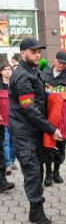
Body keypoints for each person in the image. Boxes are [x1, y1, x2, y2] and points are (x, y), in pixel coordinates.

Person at [8, 37, 63, 224]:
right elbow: (29, 109)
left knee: (37, 170)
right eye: (33, 51)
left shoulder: (33, 72)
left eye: (39, 51)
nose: (38, 54)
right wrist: (51, 128)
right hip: (24, 133)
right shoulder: (22, 76)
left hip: (34, 131)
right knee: (32, 173)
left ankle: (33, 211)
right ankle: (41, 219)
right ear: (22, 53)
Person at [40, 51, 66, 187]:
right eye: (59, 62)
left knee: (61, 145)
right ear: (54, 60)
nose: (61, 65)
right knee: (48, 146)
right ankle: (48, 172)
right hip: (47, 115)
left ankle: (57, 171)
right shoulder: (43, 75)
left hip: (63, 116)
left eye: (64, 63)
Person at [0, 62, 15, 192]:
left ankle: (9, 163)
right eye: (5, 70)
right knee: (4, 143)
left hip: (12, 118)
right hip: (1, 120)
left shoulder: (14, 83)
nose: (7, 72)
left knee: (12, 142)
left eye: (9, 69)